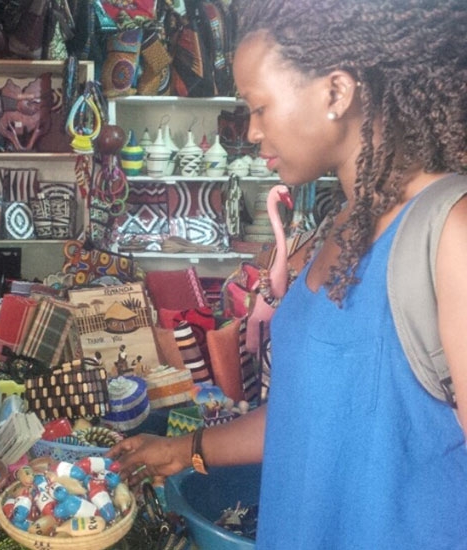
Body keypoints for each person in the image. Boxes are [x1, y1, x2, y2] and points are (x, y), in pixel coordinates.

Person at [109, 1, 467, 548]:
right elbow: (309, 412)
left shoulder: (450, 232)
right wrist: (185, 449)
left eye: (258, 108)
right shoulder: (344, 219)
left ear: (336, 93)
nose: (251, 132)